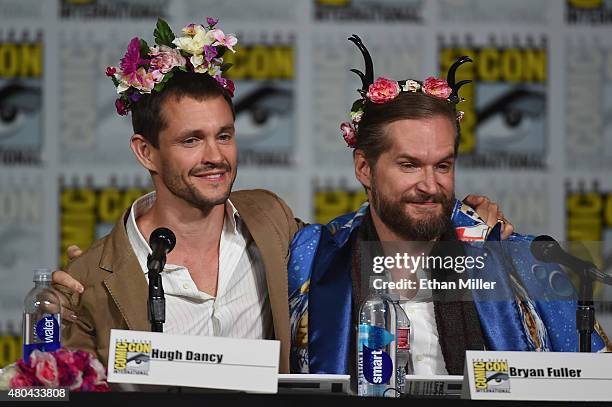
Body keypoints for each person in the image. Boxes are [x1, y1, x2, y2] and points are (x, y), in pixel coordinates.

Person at [51, 23, 509, 373]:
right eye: (191, 140)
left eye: (224, 135)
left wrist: (460, 216)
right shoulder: (87, 279)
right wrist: (51, 316)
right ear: (145, 151)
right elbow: (59, 382)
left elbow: (376, 234)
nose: (215, 157)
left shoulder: (273, 225)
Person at [287, 35, 610, 377]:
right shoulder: (312, 259)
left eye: (443, 166)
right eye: (409, 165)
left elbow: (596, 381)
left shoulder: (521, 265)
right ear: (364, 168)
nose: (430, 186)